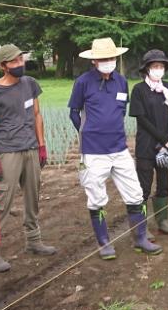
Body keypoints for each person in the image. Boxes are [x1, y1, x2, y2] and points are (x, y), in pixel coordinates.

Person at [68, 38, 161, 260]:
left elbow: (120, 110)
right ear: (94, 61)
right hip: (93, 151)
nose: (107, 61)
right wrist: (87, 130)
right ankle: (104, 243)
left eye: (111, 57)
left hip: (119, 148)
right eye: (103, 58)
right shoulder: (83, 82)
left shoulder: (121, 81)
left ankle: (140, 239)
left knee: (135, 194)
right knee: (96, 197)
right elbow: (74, 111)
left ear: (115, 58)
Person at [0, 44, 56, 273]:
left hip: (31, 148)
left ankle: (33, 240)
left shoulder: (30, 84)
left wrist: (41, 145)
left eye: (21, 60)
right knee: (2, 202)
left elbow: (36, 115)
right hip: (8, 152)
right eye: (13, 62)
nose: (19, 64)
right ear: (3, 66)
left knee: (33, 196)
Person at [129, 49, 168, 236]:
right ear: (147, 69)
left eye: (161, 66)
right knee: (144, 186)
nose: (159, 69)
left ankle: (163, 221)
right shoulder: (139, 90)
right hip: (146, 145)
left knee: (164, 184)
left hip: (167, 144)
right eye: (155, 66)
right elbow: (142, 119)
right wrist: (162, 138)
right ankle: (141, 227)